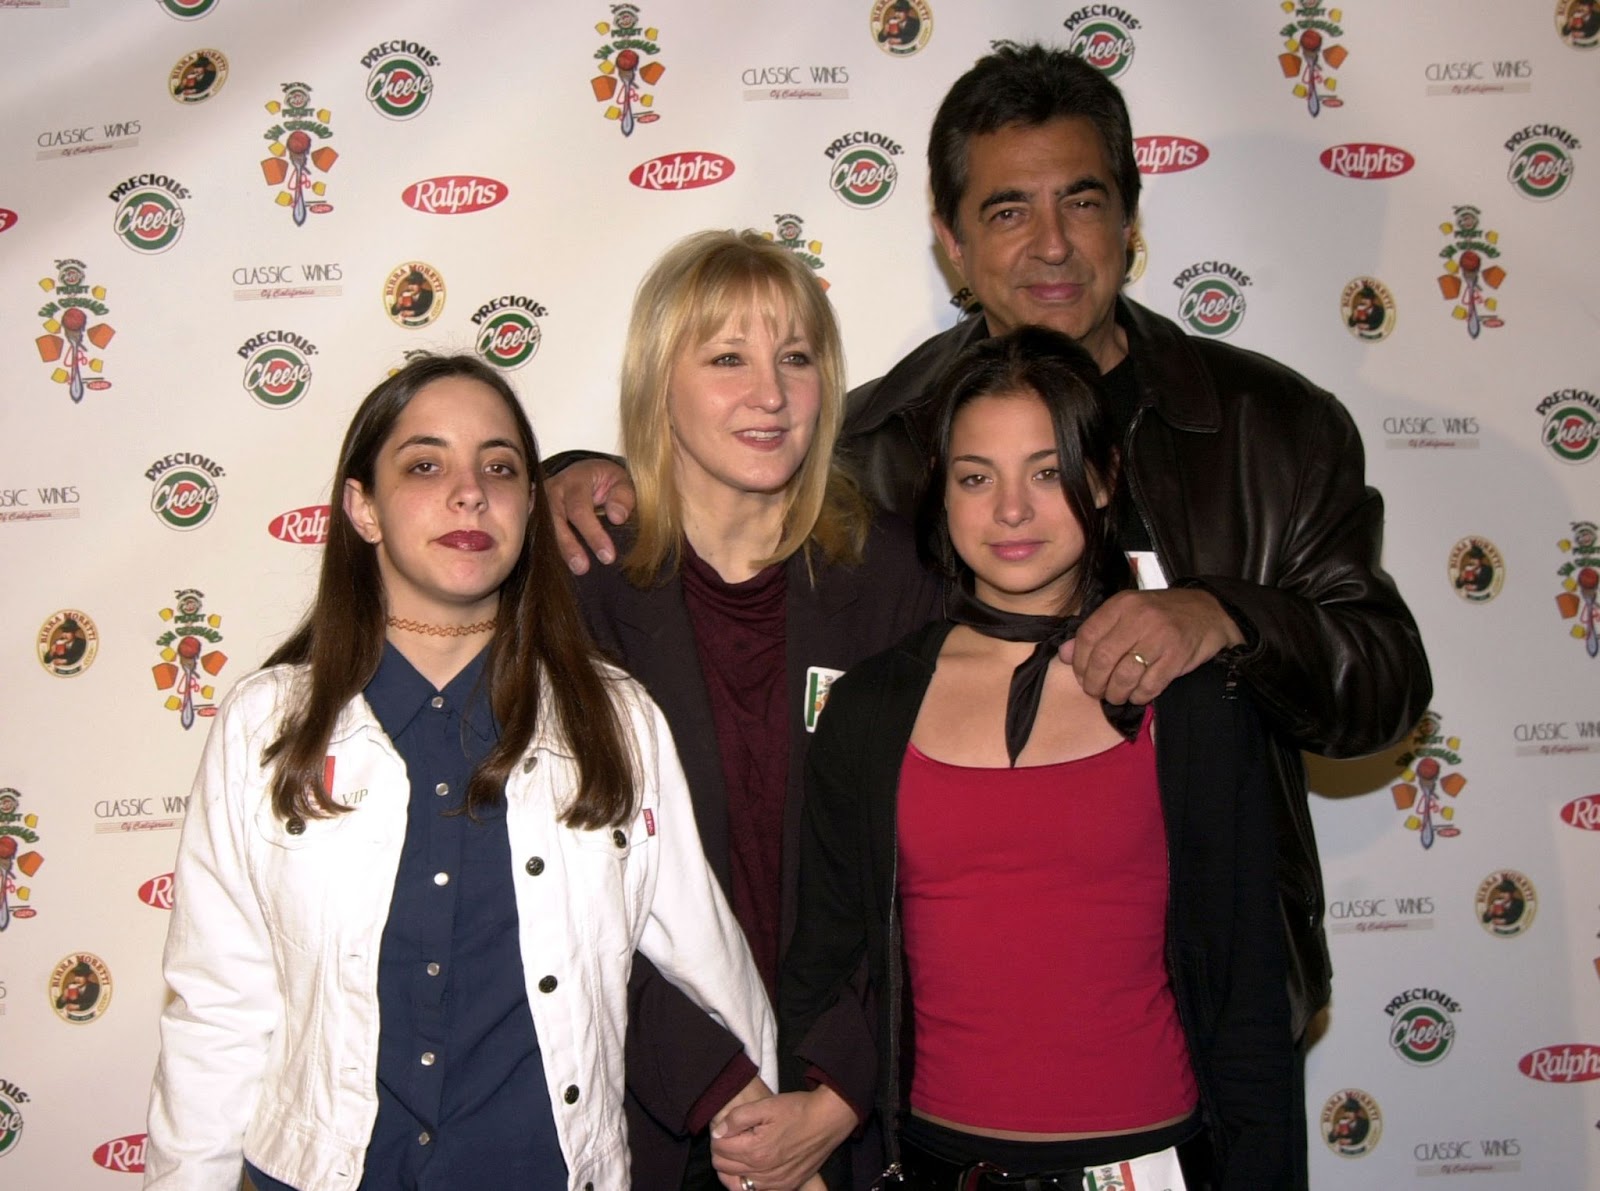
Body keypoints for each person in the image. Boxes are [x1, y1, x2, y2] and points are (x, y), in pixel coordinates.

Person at [546, 42, 1431, 1058]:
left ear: (1131, 222)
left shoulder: (1270, 428)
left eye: (1083, 202)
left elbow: (1381, 688)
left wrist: (1224, 615)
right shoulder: (876, 448)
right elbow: (722, 502)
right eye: (1008, 211)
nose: (1050, 245)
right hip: (967, 1016)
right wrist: (577, 472)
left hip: (1215, 994)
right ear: (951, 244)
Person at [143, 354, 774, 1191]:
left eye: (501, 467)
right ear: (361, 508)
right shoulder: (267, 726)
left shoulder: (615, 721)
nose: (470, 491)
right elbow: (217, 1010)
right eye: (426, 464)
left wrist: (774, 1146)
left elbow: (712, 962)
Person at [780, 326, 1294, 1190]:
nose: (1010, 509)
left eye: (1048, 471)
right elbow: (822, 969)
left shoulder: (1192, 696)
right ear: (940, 496)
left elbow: (1247, 998)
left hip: (1158, 1163)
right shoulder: (869, 708)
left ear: (1104, 480)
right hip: (940, 1165)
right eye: (977, 477)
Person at [572, 230, 941, 1189]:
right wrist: (729, 1101)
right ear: (660, 382)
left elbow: (932, 869)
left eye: (796, 358)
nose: (770, 395)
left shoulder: (901, 576)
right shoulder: (578, 591)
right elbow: (565, 891)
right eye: (727, 358)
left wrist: (834, 1093)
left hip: (859, 1118)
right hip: (660, 1115)